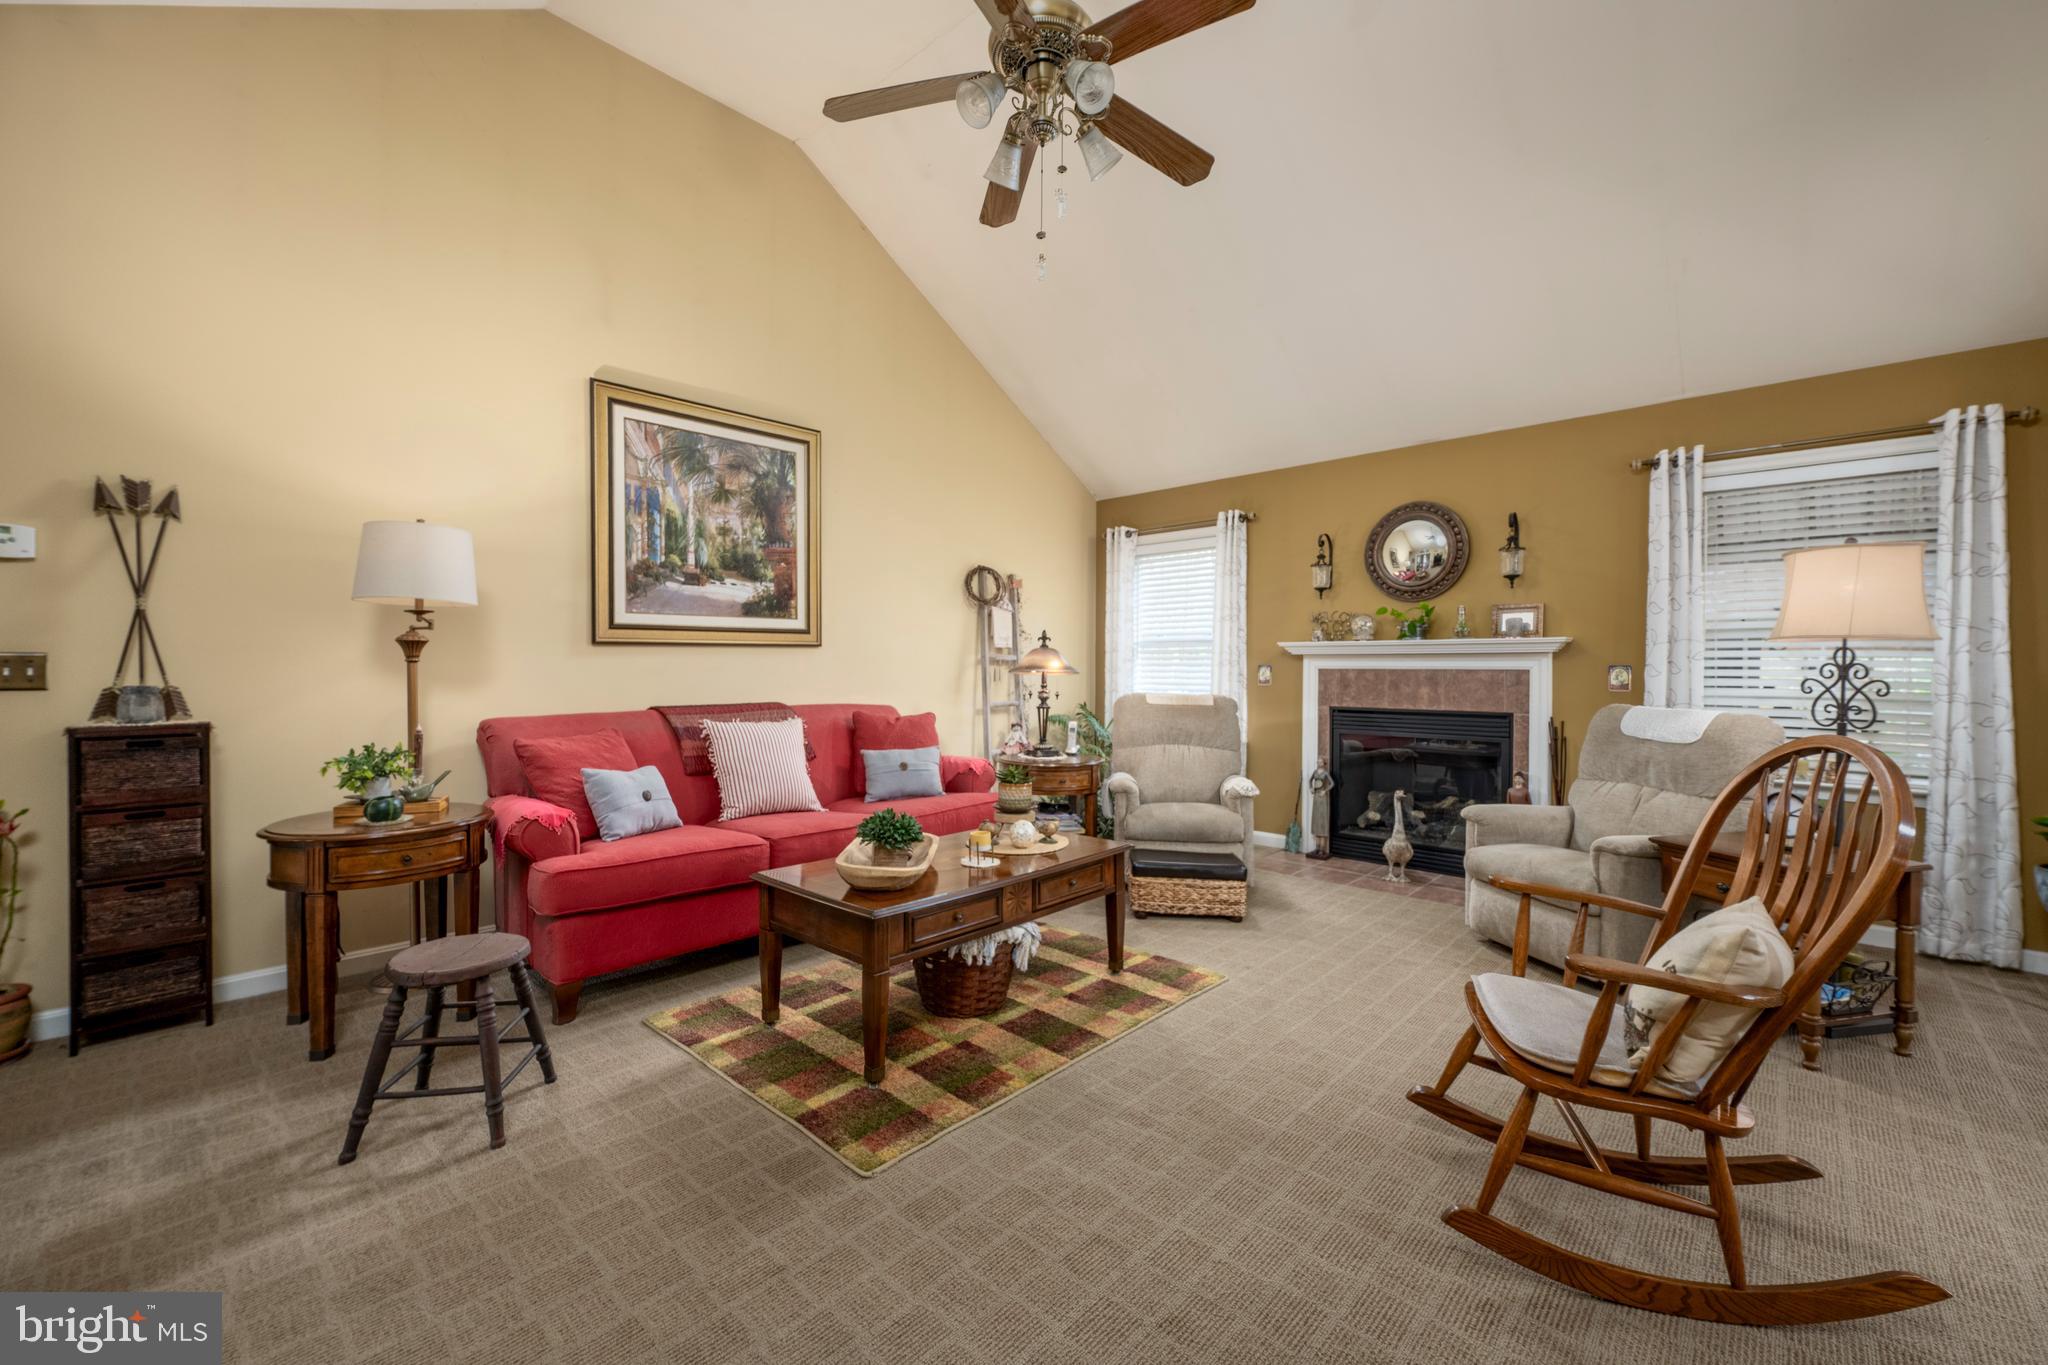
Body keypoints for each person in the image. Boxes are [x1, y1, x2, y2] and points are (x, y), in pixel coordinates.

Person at [1308, 759, 1334, 859]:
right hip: (1316, 798)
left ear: (1324, 764)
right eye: (1318, 762)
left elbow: (1332, 783)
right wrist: (1311, 788)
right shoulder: (1315, 772)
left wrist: (1325, 791)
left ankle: (1322, 849)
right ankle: (1317, 847)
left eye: (1321, 762)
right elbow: (1310, 780)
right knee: (1316, 820)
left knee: (1322, 820)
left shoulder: (1326, 773)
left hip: (1323, 798)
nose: (1319, 763)